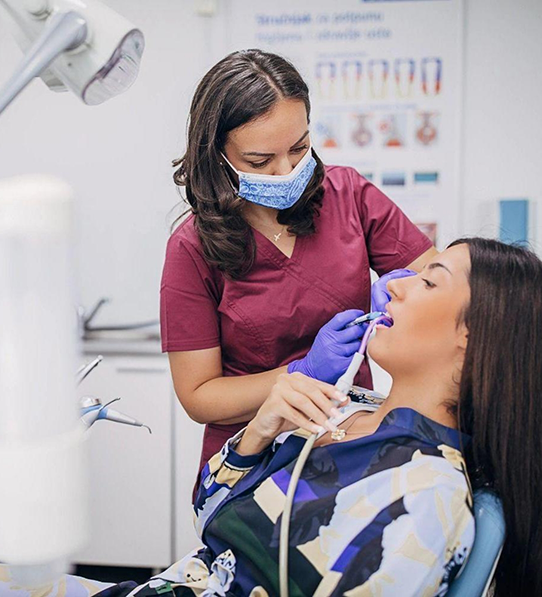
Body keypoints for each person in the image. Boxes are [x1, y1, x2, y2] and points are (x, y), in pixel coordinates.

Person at [5, 237, 540, 596]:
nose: (394, 282)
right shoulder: (339, 407)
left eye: (428, 280)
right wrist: (259, 431)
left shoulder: (426, 494)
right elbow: (208, 516)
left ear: (474, 336)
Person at [160, 49, 436, 490]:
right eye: (259, 161)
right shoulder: (192, 249)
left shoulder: (348, 196)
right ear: (217, 154)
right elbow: (199, 397)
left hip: (350, 434)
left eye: (299, 147)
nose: (286, 170)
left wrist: (414, 290)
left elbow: (445, 285)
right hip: (253, 458)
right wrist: (301, 372)